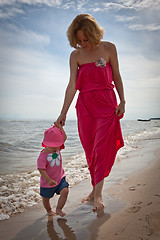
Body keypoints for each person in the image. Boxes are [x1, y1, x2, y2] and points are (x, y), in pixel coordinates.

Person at [55, 13, 125, 211]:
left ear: (94, 34)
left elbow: (117, 77)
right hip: (85, 107)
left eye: (86, 39)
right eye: (79, 40)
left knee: (101, 149)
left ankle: (98, 195)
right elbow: (71, 86)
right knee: (90, 151)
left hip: (107, 104)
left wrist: (123, 101)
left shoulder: (109, 48)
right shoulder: (75, 56)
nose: (83, 43)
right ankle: (95, 189)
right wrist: (63, 113)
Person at [37, 124, 69, 217]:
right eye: (53, 146)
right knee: (46, 198)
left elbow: (65, 137)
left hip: (60, 178)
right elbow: (41, 169)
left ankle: (59, 209)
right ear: (45, 144)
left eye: (57, 145)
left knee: (65, 191)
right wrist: (48, 180)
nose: (55, 148)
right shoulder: (43, 156)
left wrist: (60, 128)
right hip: (47, 183)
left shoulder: (57, 149)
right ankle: (49, 210)